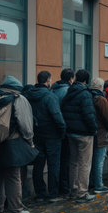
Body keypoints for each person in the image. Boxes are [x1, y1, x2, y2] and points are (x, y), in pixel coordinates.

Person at [23, 71, 66, 202]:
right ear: (48, 80)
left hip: (36, 134)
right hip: (52, 135)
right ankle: (53, 194)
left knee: (38, 165)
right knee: (53, 165)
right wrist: (62, 132)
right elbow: (57, 117)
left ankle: (40, 194)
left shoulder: (28, 95)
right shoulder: (50, 96)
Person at [0, 76, 34, 213]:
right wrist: (30, 141)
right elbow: (26, 126)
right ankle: (15, 210)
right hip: (11, 144)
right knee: (13, 177)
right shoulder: (18, 99)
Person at [62, 69, 97, 202]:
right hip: (84, 134)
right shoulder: (85, 94)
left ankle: (73, 189)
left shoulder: (69, 91)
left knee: (73, 162)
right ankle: (82, 193)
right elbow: (88, 115)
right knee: (84, 163)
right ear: (86, 80)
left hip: (71, 132)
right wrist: (93, 129)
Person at [51, 68, 74, 198]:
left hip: (52, 129)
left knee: (57, 160)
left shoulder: (53, 88)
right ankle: (64, 188)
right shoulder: (67, 91)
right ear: (71, 79)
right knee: (65, 160)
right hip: (64, 128)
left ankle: (58, 187)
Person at [89, 78, 108, 194]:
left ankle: (92, 182)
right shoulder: (100, 99)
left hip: (91, 132)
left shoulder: (89, 97)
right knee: (99, 160)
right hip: (101, 133)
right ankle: (98, 185)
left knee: (91, 160)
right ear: (101, 87)